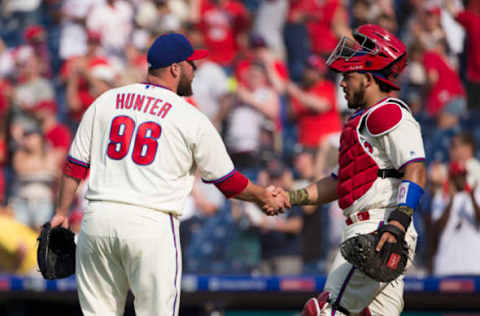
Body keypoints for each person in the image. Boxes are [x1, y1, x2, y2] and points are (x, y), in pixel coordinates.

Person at [49, 33, 288, 316]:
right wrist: (262, 196)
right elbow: (227, 182)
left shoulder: (107, 101)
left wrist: (62, 213)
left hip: (98, 219)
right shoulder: (188, 115)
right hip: (151, 223)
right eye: (191, 65)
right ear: (175, 68)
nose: (195, 70)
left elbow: (75, 165)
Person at [275, 25, 427, 315]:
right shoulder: (362, 121)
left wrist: (397, 223)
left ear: (368, 79)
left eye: (348, 76)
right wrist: (290, 198)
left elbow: (415, 168)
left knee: (326, 310)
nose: (342, 83)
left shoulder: (388, 112)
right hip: (369, 230)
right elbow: (340, 181)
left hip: (380, 230)